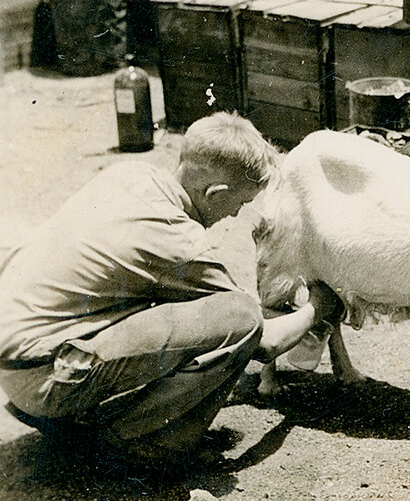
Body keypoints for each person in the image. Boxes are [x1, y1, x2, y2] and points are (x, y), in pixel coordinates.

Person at [0, 112, 337, 468]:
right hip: (44, 380)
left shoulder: (130, 174)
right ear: (215, 193)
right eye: (240, 203)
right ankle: (144, 446)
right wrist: (318, 305)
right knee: (241, 318)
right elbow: (264, 341)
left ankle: (79, 419)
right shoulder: (176, 239)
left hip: (15, 363)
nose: (236, 215)